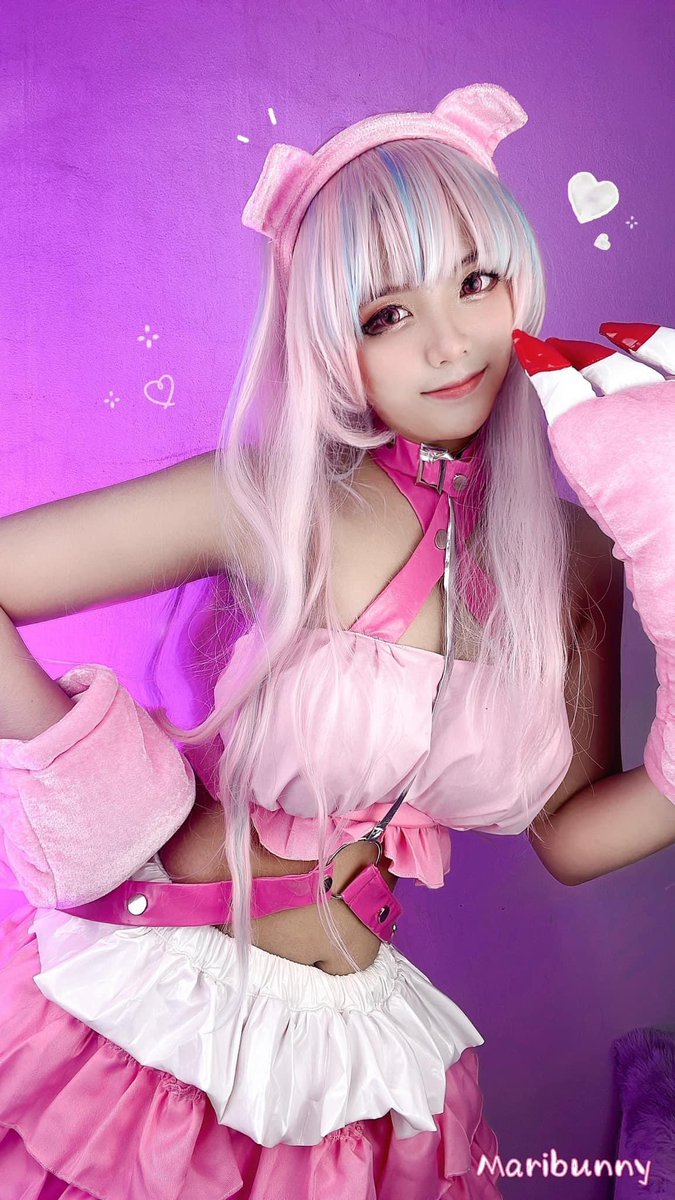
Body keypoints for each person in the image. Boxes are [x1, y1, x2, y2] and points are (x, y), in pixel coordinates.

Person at [1, 81, 674, 1199]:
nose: (449, 342)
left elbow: (569, 836)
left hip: (352, 1053)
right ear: (329, 340)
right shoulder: (280, 496)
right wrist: (106, 795)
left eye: (474, 282)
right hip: (154, 1008)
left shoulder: (576, 555)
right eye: (385, 314)